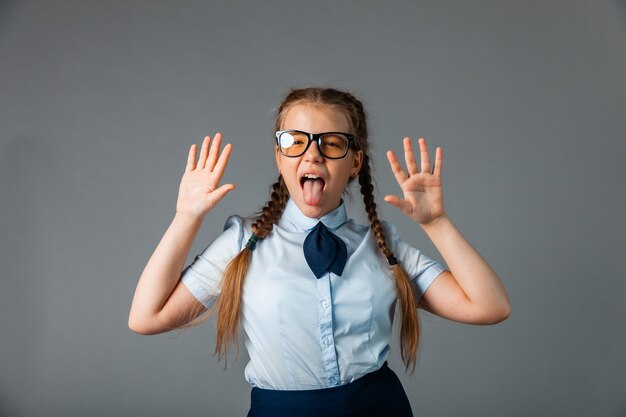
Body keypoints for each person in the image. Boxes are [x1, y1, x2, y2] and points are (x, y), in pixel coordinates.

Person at [128, 87, 511, 417]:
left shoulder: (383, 246)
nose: (312, 156)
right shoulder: (242, 242)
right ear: (280, 158)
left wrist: (437, 223)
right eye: (295, 141)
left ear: (355, 162)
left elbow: (489, 306)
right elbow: (147, 317)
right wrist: (185, 218)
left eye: (330, 143)